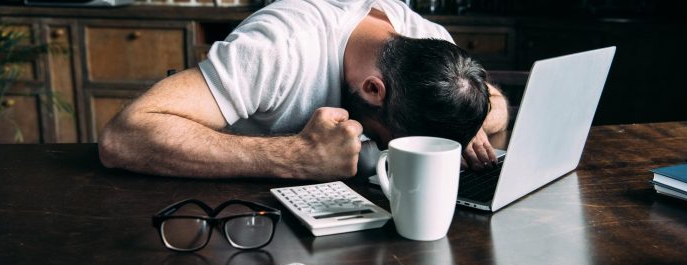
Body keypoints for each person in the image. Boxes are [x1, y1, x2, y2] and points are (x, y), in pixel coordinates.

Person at [98, 0, 508, 181]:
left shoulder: (427, 36)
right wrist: (295, 157)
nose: (386, 147)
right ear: (373, 89)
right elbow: (124, 137)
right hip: (256, 229)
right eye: (390, 142)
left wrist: (464, 117)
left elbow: (497, 104)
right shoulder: (282, 46)